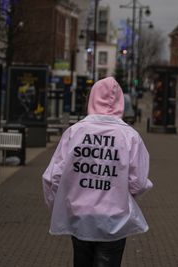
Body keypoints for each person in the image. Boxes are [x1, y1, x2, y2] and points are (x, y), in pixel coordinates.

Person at [42, 77, 153, 267]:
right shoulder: (130, 137)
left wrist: (59, 207)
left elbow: (53, 178)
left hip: (80, 215)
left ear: (91, 98)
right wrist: (119, 194)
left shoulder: (74, 132)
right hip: (114, 219)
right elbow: (139, 182)